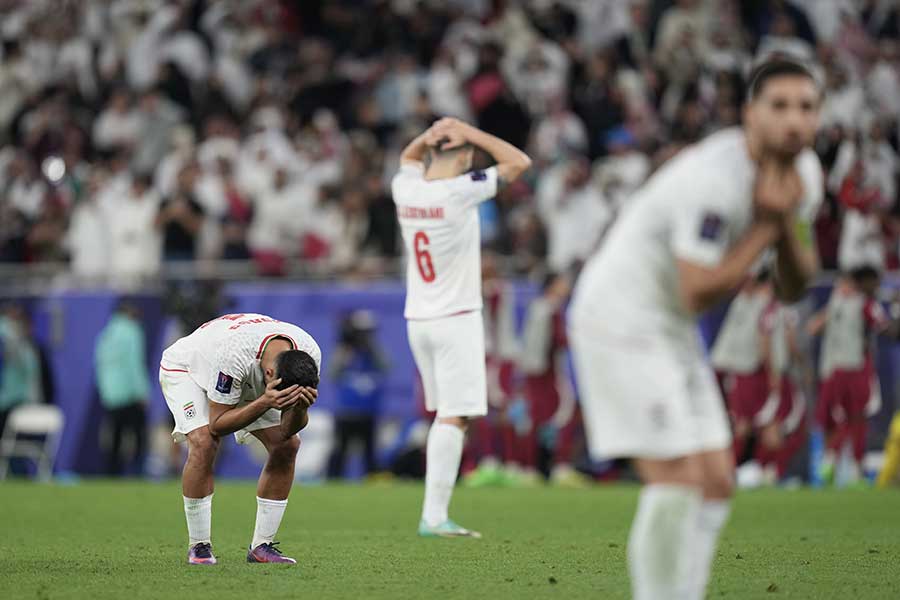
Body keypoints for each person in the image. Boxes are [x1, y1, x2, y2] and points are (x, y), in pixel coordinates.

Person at [568, 59, 823, 600]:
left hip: (670, 326)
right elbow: (698, 290)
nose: (794, 121)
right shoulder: (714, 179)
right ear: (749, 114)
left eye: (806, 106)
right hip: (622, 316)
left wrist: (784, 226)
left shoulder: (805, 176)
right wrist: (767, 226)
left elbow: (797, 283)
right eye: (779, 106)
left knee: (716, 480)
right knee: (678, 476)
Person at [391, 116, 531, 538]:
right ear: (467, 157)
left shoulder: (406, 189)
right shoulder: (459, 192)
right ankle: (434, 517)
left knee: (444, 415)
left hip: (419, 319)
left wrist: (429, 136)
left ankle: (435, 514)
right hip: (456, 319)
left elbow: (408, 156)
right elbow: (519, 162)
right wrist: (469, 130)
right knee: (456, 416)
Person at [158, 313, 321, 565]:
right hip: (189, 369)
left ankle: (262, 546)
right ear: (269, 373)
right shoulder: (235, 355)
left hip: (247, 377)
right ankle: (199, 546)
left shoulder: (309, 355)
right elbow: (218, 424)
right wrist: (265, 401)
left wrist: (299, 408)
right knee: (204, 442)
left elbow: (287, 431)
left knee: (287, 446)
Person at [808, 266, 891, 484]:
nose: (842, 288)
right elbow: (813, 327)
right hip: (842, 370)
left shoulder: (861, 304)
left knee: (852, 418)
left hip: (850, 368)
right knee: (841, 419)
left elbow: (882, 325)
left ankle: (841, 464)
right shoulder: (845, 304)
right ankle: (834, 463)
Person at [327, 310, 389, 479]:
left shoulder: (373, 352)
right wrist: (345, 353)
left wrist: (372, 347)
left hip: (368, 411)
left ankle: (373, 481)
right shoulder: (344, 351)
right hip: (346, 411)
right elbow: (333, 374)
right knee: (340, 450)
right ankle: (332, 480)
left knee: (370, 452)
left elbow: (385, 366)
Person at [94, 301, 152, 476]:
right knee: (139, 436)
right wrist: (142, 392)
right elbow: (135, 364)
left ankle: (111, 474)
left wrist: (105, 391)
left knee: (115, 437)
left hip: (110, 395)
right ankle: (138, 473)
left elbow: (99, 365)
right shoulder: (132, 331)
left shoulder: (105, 335)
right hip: (130, 394)